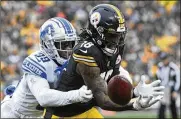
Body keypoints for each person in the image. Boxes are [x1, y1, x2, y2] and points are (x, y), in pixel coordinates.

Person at [44, 4, 165, 118]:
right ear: (98, 32)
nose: (117, 41)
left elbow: (111, 89)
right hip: (61, 114)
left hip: (85, 110)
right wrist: (134, 105)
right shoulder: (86, 52)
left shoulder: (115, 48)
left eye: (120, 35)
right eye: (113, 35)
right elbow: (102, 99)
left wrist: (134, 92)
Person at [1, 17, 93, 118]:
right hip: (13, 114)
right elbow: (44, 98)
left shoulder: (67, 62)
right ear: (47, 44)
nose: (69, 49)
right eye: (63, 44)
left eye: (71, 43)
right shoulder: (40, 62)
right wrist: (77, 95)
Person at [156, 52, 180, 119]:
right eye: (162, 59)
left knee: (173, 107)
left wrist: (175, 91)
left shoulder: (174, 67)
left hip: (171, 89)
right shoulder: (160, 67)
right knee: (162, 107)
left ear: (168, 58)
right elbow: (158, 78)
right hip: (163, 89)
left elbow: (178, 81)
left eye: (165, 59)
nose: (164, 61)